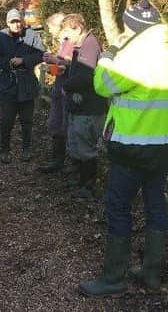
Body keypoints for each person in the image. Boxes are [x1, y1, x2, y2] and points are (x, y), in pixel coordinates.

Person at [78, 0, 168, 296]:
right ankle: (151, 273)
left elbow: (103, 84)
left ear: (132, 27)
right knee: (156, 204)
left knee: (118, 207)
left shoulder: (135, 54)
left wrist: (110, 53)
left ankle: (113, 279)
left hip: (132, 146)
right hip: (166, 146)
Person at [58, 14, 107, 198]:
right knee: (77, 143)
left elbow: (87, 76)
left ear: (77, 29)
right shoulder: (81, 45)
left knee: (85, 146)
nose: (64, 36)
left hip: (88, 107)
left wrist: (66, 86)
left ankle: (88, 185)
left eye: (66, 31)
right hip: (80, 105)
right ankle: (79, 180)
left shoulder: (90, 45)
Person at [0, 8, 44, 163]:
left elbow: (41, 54)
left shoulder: (32, 35)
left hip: (28, 84)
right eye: (13, 22)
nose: (17, 24)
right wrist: (10, 62)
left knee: (27, 121)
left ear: (22, 21)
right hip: (8, 84)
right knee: (7, 121)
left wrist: (24, 61)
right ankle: (4, 150)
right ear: (8, 23)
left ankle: (27, 149)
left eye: (18, 21)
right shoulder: (0, 37)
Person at [39, 12, 73, 173]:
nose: (50, 31)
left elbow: (67, 67)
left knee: (62, 125)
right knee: (57, 125)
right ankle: (57, 161)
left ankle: (61, 163)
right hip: (60, 90)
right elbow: (61, 69)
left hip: (66, 92)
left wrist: (53, 61)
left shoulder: (68, 43)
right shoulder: (63, 43)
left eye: (51, 28)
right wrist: (51, 67)